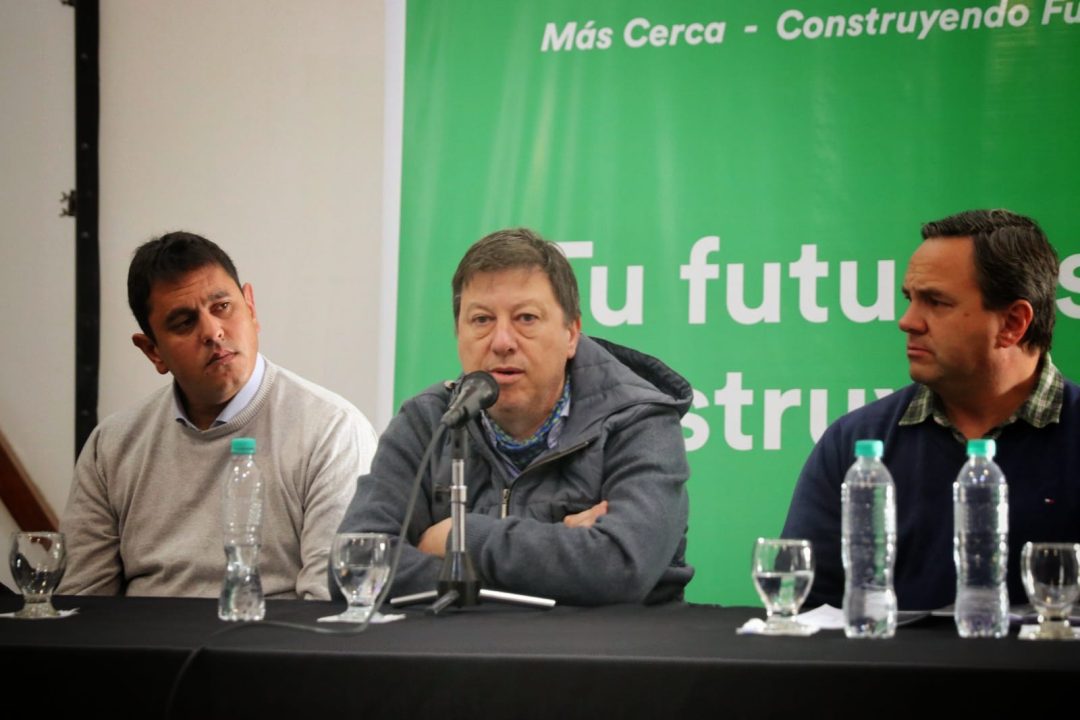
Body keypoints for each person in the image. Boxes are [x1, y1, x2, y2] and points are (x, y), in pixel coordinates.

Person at [335, 228, 693, 605]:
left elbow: (619, 567)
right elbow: (356, 566)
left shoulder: (639, 421)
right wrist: (558, 563)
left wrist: (461, 537)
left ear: (571, 334)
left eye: (526, 318)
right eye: (481, 320)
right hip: (460, 643)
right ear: (458, 333)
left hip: (610, 643)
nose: (502, 341)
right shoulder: (428, 421)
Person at [783, 209, 1079, 610]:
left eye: (936, 302)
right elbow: (803, 608)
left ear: (1013, 322)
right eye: (910, 299)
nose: (907, 321)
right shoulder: (855, 442)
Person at [60, 232, 377, 599]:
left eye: (223, 306)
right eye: (184, 322)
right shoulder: (112, 445)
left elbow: (331, 604)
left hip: (271, 635)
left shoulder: (332, 430)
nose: (212, 332)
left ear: (251, 308)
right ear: (153, 352)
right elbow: (82, 603)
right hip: (142, 637)